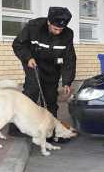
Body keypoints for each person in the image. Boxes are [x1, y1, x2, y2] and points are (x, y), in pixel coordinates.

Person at [10, 7, 76, 136]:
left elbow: (69, 59)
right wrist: (27, 58)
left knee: (50, 97)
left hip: (52, 68)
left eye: (60, 30)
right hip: (33, 63)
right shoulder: (34, 26)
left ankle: (50, 128)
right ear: (48, 22)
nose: (58, 32)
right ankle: (18, 127)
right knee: (32, 91)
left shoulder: (68, 34)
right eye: (55, 29)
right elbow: (18, 44)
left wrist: (67, 81)